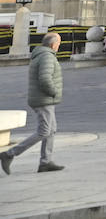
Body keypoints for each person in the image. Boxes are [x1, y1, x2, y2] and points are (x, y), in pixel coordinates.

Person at [0, 32, 65, 174]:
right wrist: (54, 92)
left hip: (44, 99)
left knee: (51, 129)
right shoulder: (47, 56)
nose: (59, 46)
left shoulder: (42, 55)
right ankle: (9, 154)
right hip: (44, 99)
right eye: (58, 43)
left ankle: (45, 162)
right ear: (53, 44)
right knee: (44, 131)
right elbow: (45, 79)